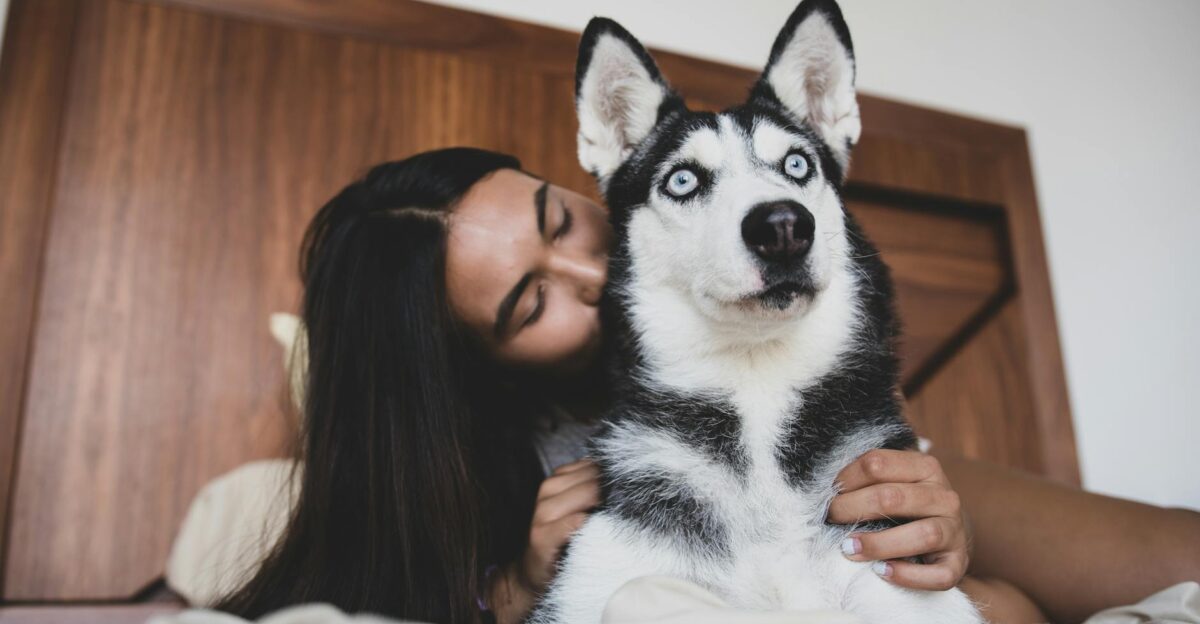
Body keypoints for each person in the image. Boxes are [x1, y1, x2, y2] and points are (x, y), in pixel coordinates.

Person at [216, 148, 1199, 624]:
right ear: (475, 373)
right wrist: (514, 590)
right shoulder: (506, 499)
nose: (597, 278)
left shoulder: (726, 245)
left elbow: (999, 602)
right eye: (529, 303)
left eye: (562, 221)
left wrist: (944, 534)